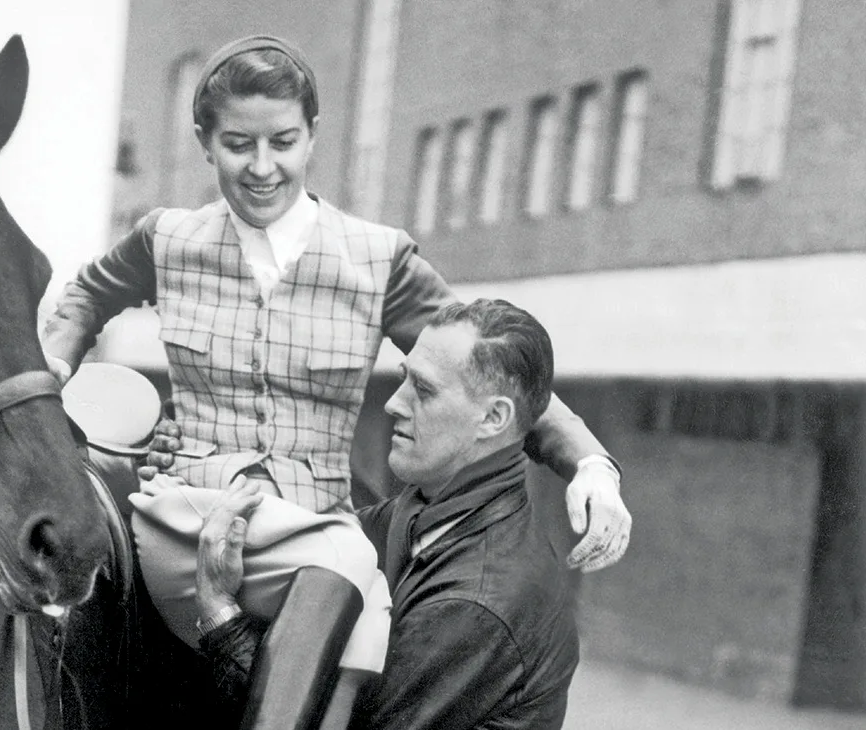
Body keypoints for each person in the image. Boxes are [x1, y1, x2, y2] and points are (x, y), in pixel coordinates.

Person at [42, 34, 629, 730]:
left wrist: (589, 464)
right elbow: (85, 297)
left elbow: (494, 373)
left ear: (313, 135)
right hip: (196, 515)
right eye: (238, 144)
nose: (263, 167)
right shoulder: (166, 239)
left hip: (313, 529)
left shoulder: (378, 260)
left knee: (358, 595)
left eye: (284, 142)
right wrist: (52, 368)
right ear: (205, 142)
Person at [194, 299, 586, 729]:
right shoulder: (428, 511)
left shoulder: (475, 602)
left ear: (493, 417)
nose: (394, 404)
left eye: (425, 390)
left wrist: (220, 614)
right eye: (404, 379)